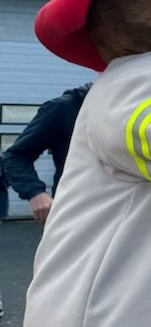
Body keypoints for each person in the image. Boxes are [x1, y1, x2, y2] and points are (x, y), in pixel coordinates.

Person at [3, 84, 91, 223]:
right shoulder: (65, 108)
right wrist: (35, 192)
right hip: (73, 216)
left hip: (120, 213)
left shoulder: (125, 110)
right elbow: (15, 156)